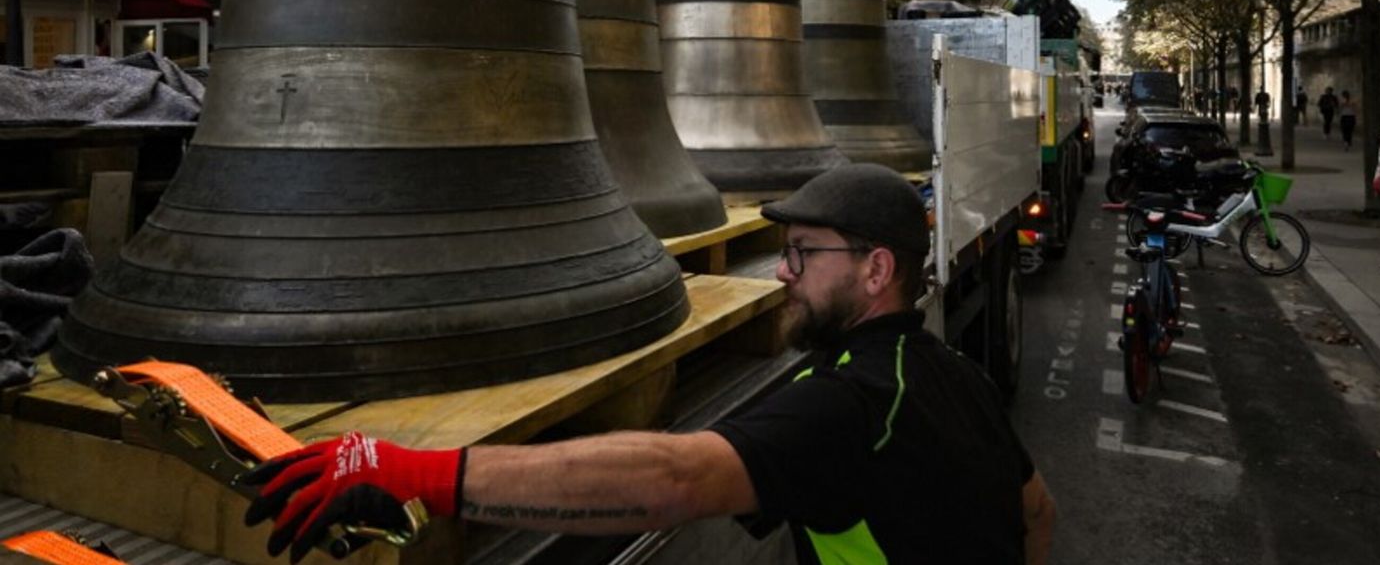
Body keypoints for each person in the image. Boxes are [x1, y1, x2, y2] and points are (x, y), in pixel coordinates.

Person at [241, 164, 1056, 565]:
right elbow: (1037, 512)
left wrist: (419, 472)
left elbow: (673, 479)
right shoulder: (956, 376)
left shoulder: (851, 405)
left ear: (876, 271)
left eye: (803, 254)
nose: (781, 272)